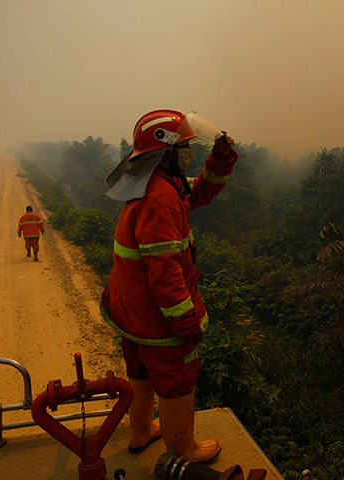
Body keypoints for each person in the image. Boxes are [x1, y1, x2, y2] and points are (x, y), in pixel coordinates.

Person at [100, 110, 237, 462]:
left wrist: (219, 161)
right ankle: (182, 451)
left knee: (140, 370)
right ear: (167, 150)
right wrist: (185, 321)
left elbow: (199, 190)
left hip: (131, 307)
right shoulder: (160, 198)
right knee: (177, 375)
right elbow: (165, 270)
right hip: (155, 315)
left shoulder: (159, 183)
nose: (188, 153)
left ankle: (141, 431)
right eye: (185, 146)